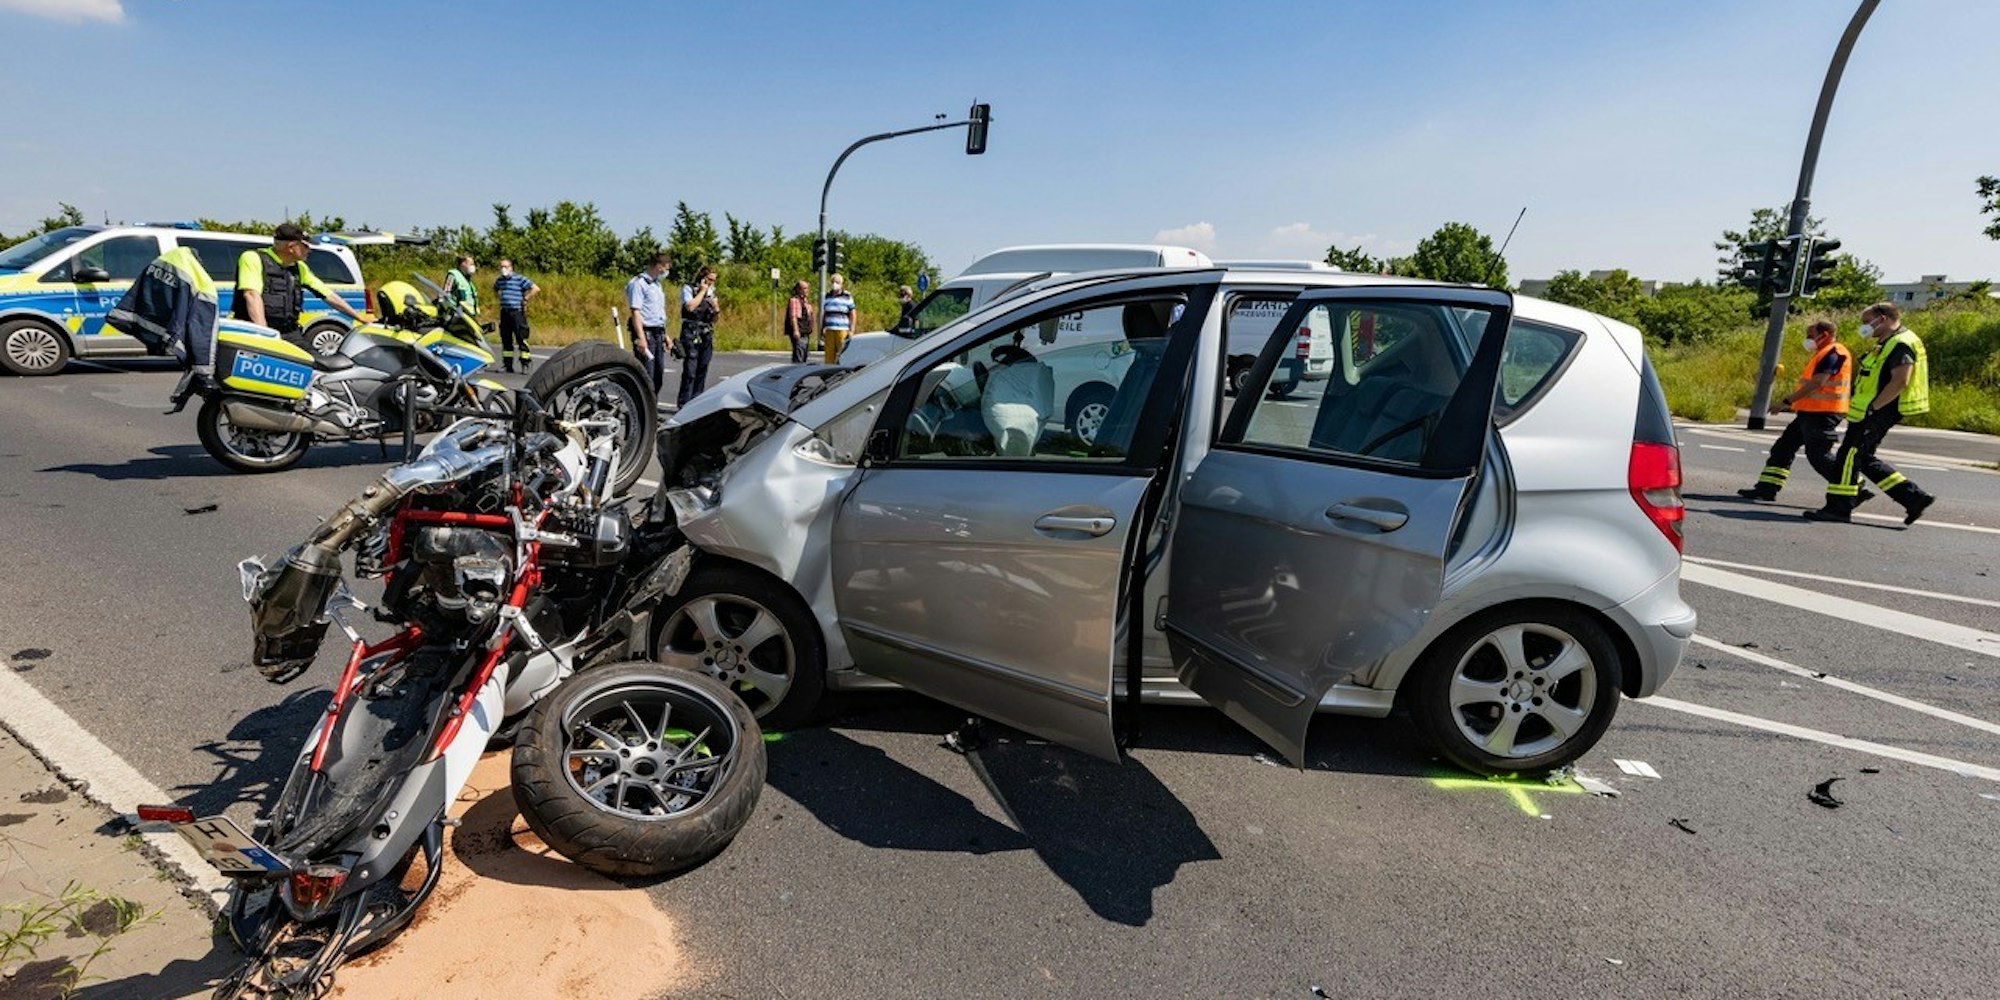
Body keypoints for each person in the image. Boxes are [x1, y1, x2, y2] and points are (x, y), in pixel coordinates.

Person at [1806, 302, 1936, 525]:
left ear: (1882, 319)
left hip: (1879, 410)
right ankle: (1913, 498)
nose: (1864, 327)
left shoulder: (1900, 344)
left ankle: (1838, 508)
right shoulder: (1886, 342)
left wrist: (1874, 408)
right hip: (1870, 410)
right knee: (1862, 458)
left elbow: (1900, 381)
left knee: (1848, 456)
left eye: (1867, 322)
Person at [1737, 320, 1850, 501]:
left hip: (1822, 413)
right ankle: (1767, 489)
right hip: (1811, 412)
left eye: (1810, 336)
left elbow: (1817, 383)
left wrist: (1786, 401)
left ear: (1825, 335)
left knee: (1819, 456)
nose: (1807, 340)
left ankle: (1853, 486)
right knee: (1783, 448)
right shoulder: (1823, 353)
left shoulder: (1833, 352)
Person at [233, 222, 367, 352]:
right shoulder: (252, 258)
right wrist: (264, 334)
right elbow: (251, 295)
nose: (310, 250)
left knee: (316, 363)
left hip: (289, 332)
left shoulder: (299, 268)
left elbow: (328, 295)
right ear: (292, 247)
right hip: (256, 331)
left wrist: (360, 318)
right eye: (306, 246)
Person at [626, 254, 672, 393]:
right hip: (646, 333)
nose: (666, 273)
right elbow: (635, 311)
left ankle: (652, 409)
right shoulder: (639, 283)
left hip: (658, 332)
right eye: (665, 269)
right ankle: (644, 411)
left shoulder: (656, 285)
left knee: (658, 375)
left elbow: (657, 313)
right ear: (658, 266)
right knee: (647, 375)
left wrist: (665, 335)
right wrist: (641, 337)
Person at [677, 265, 720, 407]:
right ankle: (684, 403)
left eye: (714, 280)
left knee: (702, 369)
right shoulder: (689, 289)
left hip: (706, 332)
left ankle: (696, 404)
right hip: (691, 331)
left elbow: (714, 319)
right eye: (709, 279)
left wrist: (716, 308)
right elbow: (690, 307)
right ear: (702, 277)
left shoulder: (712, 292)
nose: (711, 283)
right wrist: (702, 292)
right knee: (690, 371)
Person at [492, 258, 538, 373]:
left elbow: (535, 288)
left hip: (517, 312)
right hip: (505, 312)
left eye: (505, 267)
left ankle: (525, 363)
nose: (503, 269)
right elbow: (495, 288)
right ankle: (507, 365)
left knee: (521, 337)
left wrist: (526, 298)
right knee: (506, 339)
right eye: (501, 267)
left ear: (511, 268)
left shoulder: (519, 279)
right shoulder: (500, 280)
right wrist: (500, 298)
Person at [821, 273, 856, 364]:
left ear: (841, 284)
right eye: (833, 282)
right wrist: (822, 328)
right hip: (829, 329)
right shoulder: (828, 296)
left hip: (842, 329)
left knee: (842, 352)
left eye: (837, 282)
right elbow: (825, 313)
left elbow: (852, 313)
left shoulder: (847, 296)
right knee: (829, 354)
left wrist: (851, 330)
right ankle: (828, 372)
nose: (834, 284)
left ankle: (842, 371)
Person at [784, 279, 814, 363]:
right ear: (798, 290)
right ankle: (796, 371)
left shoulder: (805, 301)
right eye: (804, 288)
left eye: (807, 288)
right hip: (800, 331)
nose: (806, 290)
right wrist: (796, 331)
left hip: (805, 332)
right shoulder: (795, 301)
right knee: (799, 354)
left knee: (803, 353)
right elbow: (793, 317)